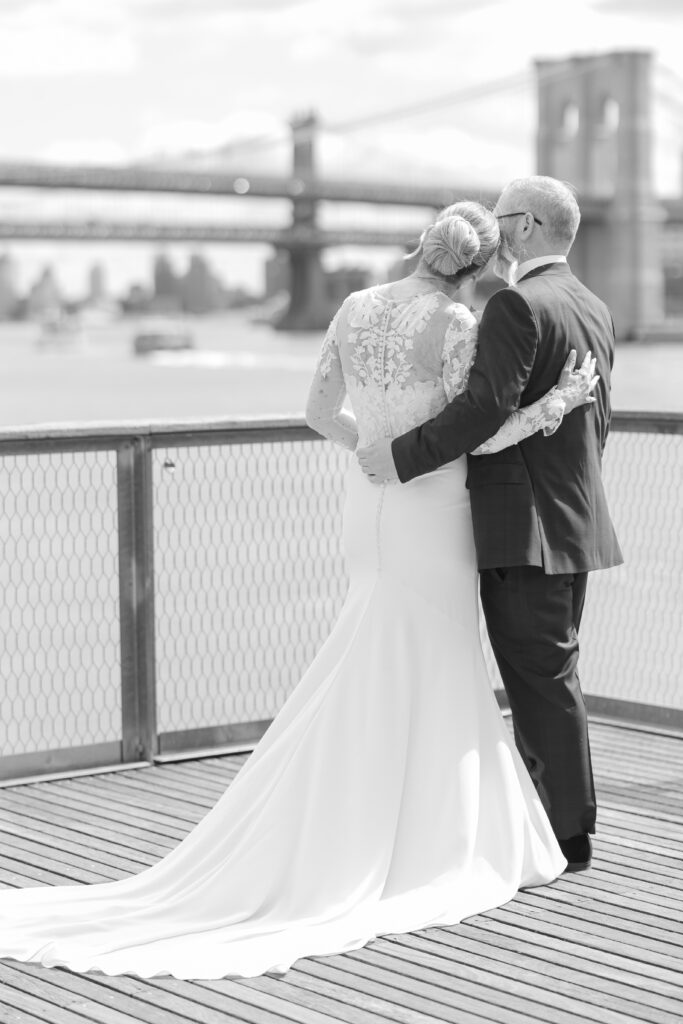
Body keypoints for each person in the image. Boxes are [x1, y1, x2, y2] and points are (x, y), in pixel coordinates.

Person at [0, 201, 596, 981]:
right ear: (481, 267)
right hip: (432, 507)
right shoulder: (456, 325)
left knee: (378, 646)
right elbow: (478, 433)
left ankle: (366, 811)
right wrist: (555, 405)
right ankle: (421, 827)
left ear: (420, 243)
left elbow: (317, 412)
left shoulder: (353, 309)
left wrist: (370, 452)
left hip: (371, 505)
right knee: (435, 658)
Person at [358, 177, 623, 874]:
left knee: (537, 684)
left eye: (504, 220)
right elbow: (598, 421)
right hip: (573, 518)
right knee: (553, 675)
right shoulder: (591, 305)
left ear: (529, 225)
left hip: (522, 525)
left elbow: (481, 411)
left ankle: (564, 836)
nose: (496, 233)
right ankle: (563, 822)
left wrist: (398, 457)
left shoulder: (513, 304)